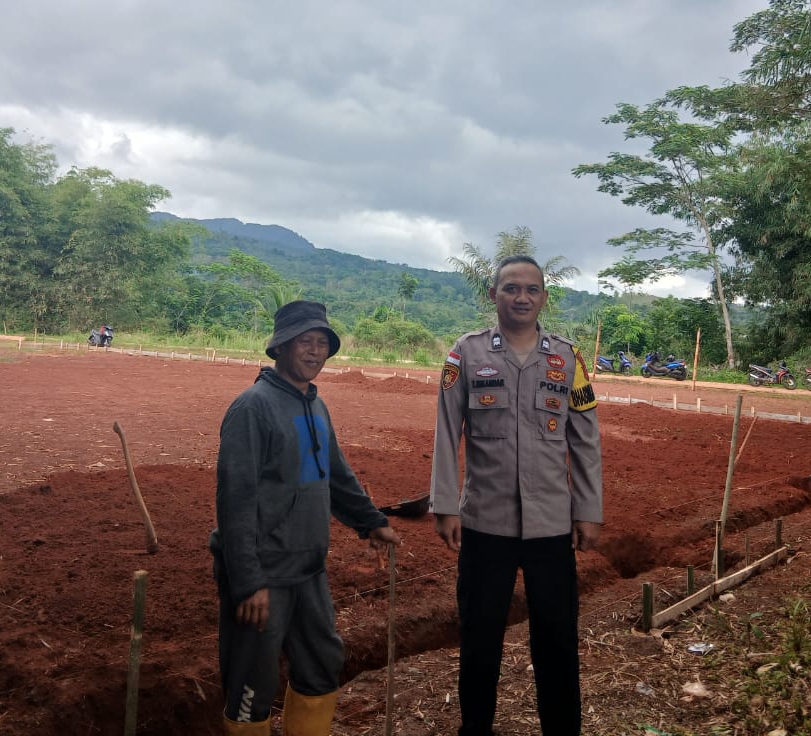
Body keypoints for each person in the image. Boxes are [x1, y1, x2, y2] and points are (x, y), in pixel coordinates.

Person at [210, 300, 401, 736]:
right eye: (304, 341)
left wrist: (371, 521)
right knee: (251, 685)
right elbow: (235, 500)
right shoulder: (252, 408)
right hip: (264, 575)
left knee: (321, 665)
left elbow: (333, 474)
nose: (314, 352)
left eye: (322, 343)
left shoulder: (313, 406)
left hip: (308, 569)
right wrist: (248, 581)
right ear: (280, 347)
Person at [430, 256, 603, 736]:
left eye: (531, 289)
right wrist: (444, 505)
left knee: (557, 641)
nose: (521, 297)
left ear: (544, 296)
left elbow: (585, 439)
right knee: (480, 639)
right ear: (493, 295)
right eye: (511, 289)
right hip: (486, 524)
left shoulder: (567, 359)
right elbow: (447, 432)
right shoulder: (466, 353)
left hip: (552, 526)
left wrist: (587, 510)